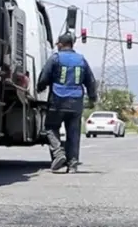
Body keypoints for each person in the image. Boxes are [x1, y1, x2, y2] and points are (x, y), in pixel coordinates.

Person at [37, 32, 98, 173]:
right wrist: (92, 98)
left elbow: (44, 77)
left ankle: (59, 153)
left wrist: (39, 88)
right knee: (74, 133)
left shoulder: (56, 58)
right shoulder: (81, 60)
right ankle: (73, 165)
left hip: (57, 100)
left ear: (60, 44)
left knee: (51, 127)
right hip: (76, 101)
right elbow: (90, 81)